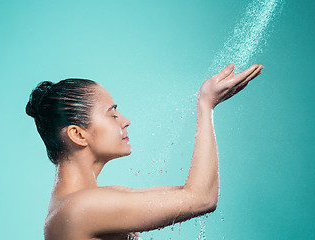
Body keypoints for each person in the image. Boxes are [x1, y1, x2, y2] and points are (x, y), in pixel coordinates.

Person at [26, 63, 263, 240]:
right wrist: (206, 106)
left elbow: (191, 193)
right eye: (113, 114)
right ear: (78, 134)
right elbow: (201, 198)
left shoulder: (90, 201)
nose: (126, 120)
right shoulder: (80, 208)